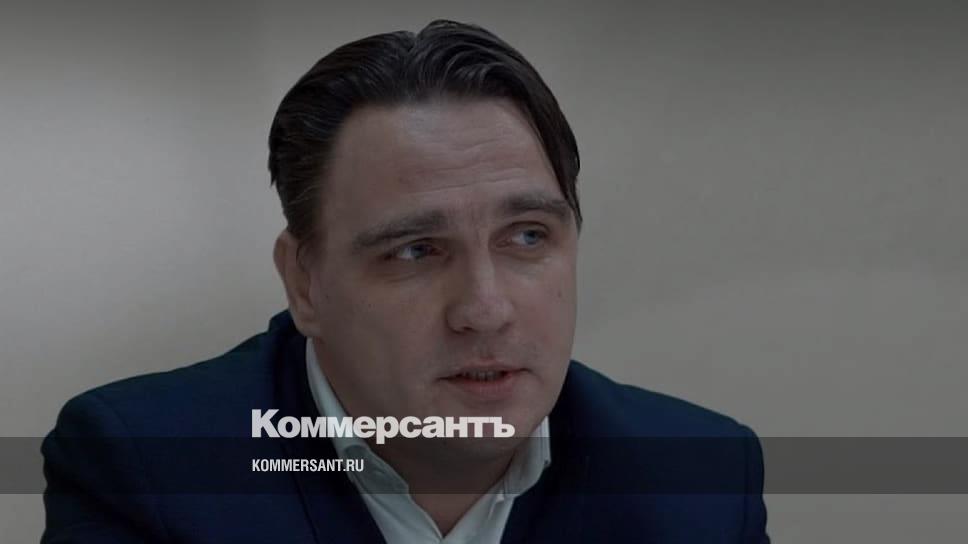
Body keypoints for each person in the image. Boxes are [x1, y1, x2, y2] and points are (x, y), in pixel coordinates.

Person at [41, 20, 769, 543]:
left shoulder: (700, 479)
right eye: (416, 251)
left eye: (527, 237)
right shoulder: (144, 468)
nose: (485, 310)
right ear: (305, 283)